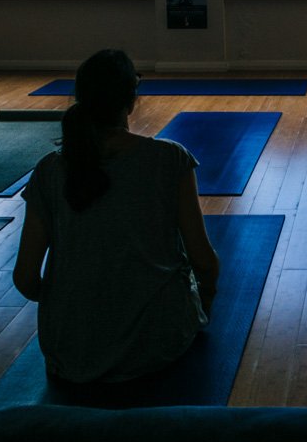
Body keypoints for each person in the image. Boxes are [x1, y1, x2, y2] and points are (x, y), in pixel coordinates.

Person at [12, 49, 220, 383]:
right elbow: (204, 261)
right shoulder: (169, 159)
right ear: (132, 99)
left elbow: (25, 279)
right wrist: (205, 302)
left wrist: (72, 301)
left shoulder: (49, 170)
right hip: (156, 344)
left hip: (67, 351)